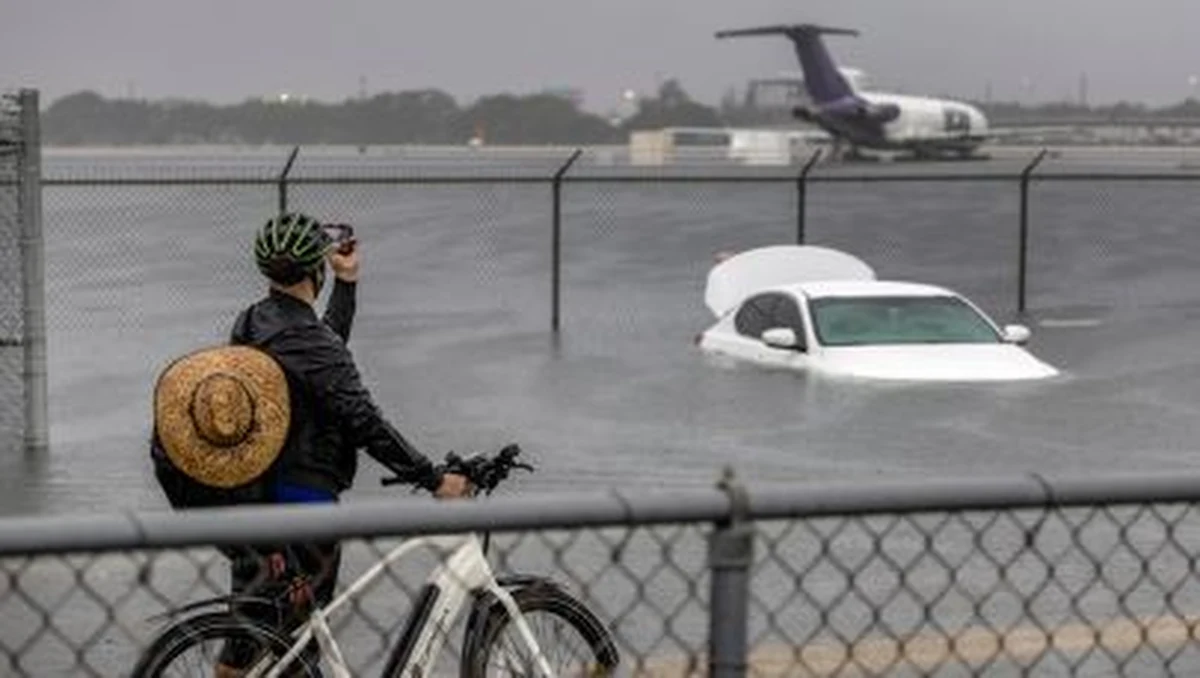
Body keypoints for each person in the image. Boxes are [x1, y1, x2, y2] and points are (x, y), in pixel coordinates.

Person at [214, 212, 470, 676]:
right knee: (298, 641)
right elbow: (362, 418)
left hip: (252, 492)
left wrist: (347, 284)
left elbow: (321, 354)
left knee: (252, 633)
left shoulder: (253, 321)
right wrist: (432, 478)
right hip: (303, 499)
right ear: (316, 270)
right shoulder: (308, 340)